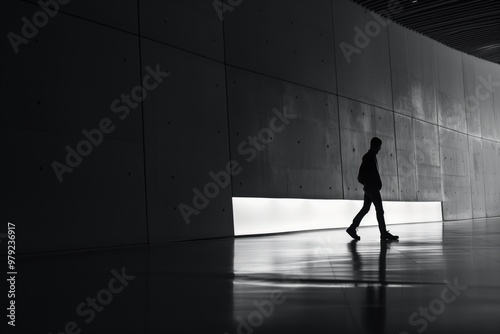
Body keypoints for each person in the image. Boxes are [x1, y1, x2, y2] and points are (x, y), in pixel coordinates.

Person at [346, 137, 399, 241]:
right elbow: (363, 175)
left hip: (369, 188)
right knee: (379, 210)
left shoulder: (370, 156)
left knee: (366, 208)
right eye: (379, 147)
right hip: (372, 188)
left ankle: (352, 228)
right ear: (374, 145)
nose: (380, 149)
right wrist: (373, 184)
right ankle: (383, 233)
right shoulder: (369, 157)